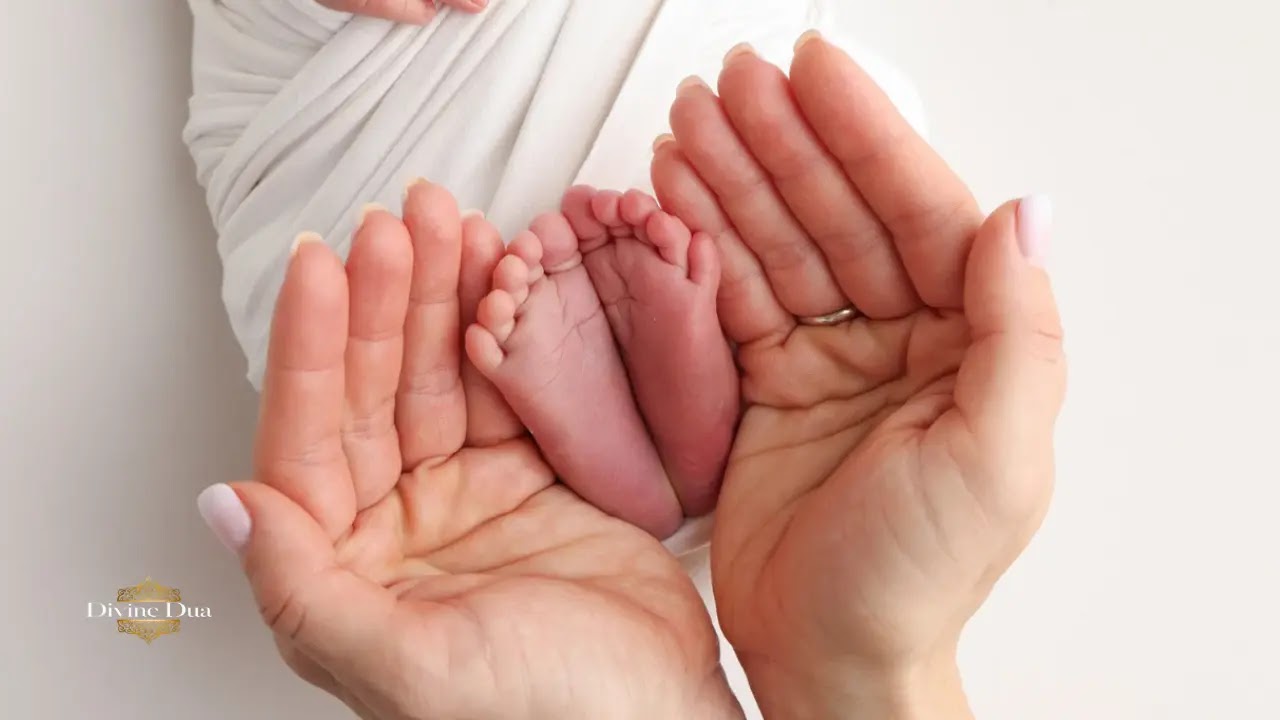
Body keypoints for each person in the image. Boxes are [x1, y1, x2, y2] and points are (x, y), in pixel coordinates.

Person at [196, 33, 1066, 718]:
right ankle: (670, 427)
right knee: (833, 115)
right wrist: (862, 674)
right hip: (790, 336)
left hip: (423, 416)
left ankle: (639, 432)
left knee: (341, 269)